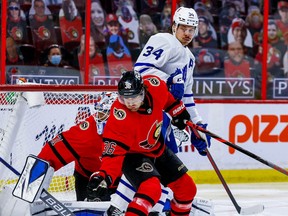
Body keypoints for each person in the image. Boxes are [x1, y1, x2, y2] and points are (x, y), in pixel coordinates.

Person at [86, 70, 207, 215]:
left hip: (158, 149)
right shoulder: (120, 117)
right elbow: (113, 154)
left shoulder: (156, 86)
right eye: (125, 99)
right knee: (151, 189)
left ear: (143, 91)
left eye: (135, 98)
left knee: (187, 189)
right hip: (133, 156)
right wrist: (103, 176)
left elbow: (168, 100)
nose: (130, 103)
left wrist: (178, 112)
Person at [134, 6, 211, 154]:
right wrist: (169, 80)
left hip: (165, 117)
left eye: (191, 30)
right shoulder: (163, 40)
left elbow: (186, 96)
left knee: (171, 166)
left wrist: (197, 124)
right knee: (162, 164)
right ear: (174, 26)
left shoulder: (190, 58)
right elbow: (140, 70)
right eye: (184, 28)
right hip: (147, 113)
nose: (188, 33)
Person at [37, 92, 118, 201]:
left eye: (106, 113)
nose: (100, 117)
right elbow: (53, 152)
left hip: (122, 183)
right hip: (88, 179)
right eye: (100, 111)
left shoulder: (134, 129)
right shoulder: (86, 132)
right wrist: (33, 176)